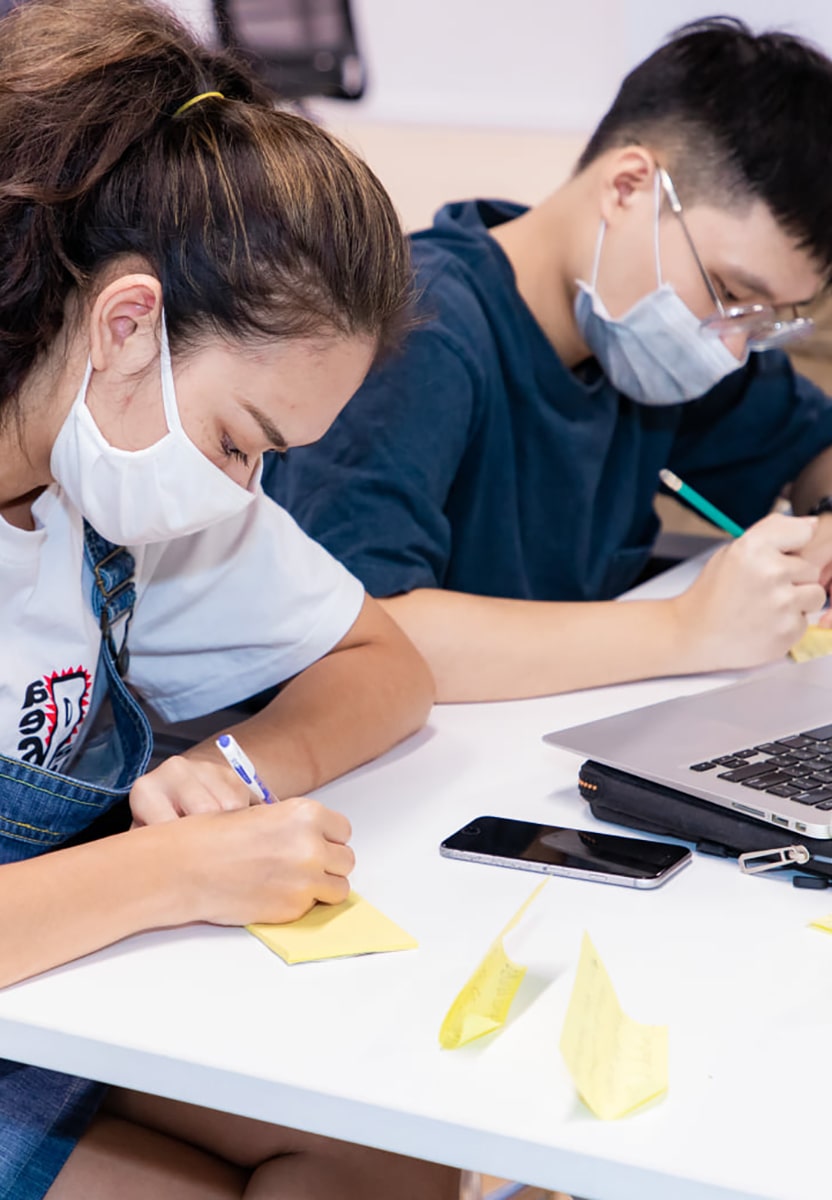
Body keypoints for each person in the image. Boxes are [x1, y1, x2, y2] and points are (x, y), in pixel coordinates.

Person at [0, 2, 462, 1197]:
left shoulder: (103, 480)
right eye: (241, 440)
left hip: (52, 995)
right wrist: (180, 872)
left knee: (399, 1159)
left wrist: (243, 776)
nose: (237, 491)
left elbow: (382, 662)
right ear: (128, 322)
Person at [265, 17, 832, 703]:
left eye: (766, 323)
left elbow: (814, 446)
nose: (733, 346)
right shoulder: (415, 327)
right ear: (627, 188)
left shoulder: (642, 341)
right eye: (733, 294)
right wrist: (686, 628)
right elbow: (360, 636)